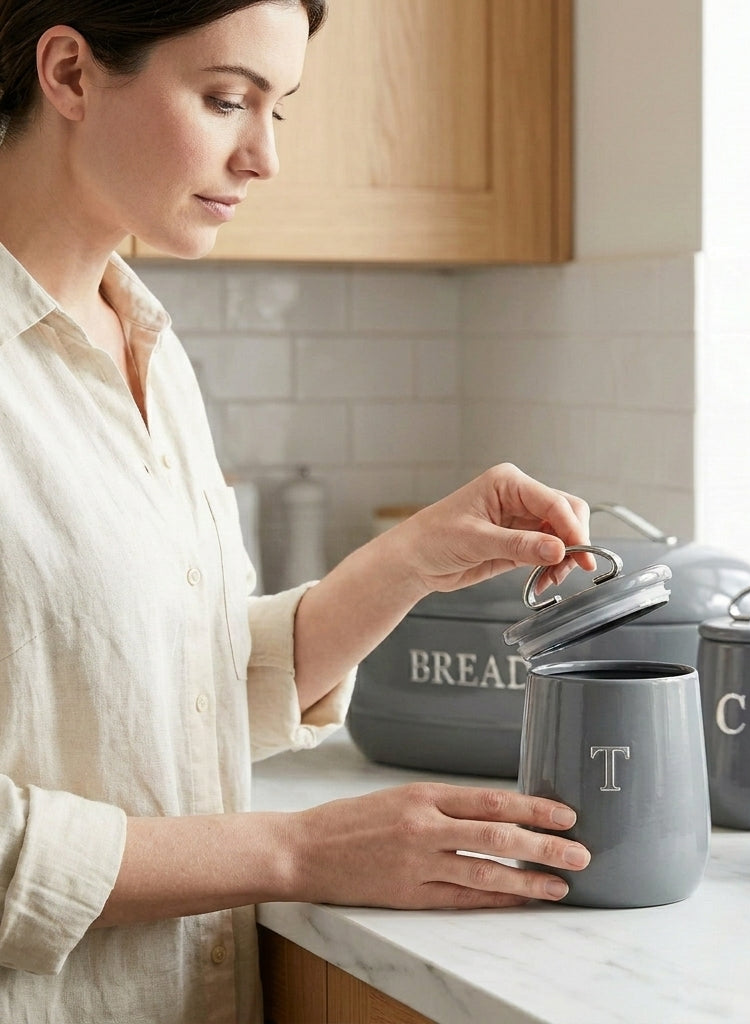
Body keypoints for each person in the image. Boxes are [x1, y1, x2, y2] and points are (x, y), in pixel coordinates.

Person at [0, 2, 595, 1020]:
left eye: (280, 109)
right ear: (69, 72)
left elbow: (175, 689)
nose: (263, 156)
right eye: (228, 99)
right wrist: (298, 848)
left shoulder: (141, 338)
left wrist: (408, 559)